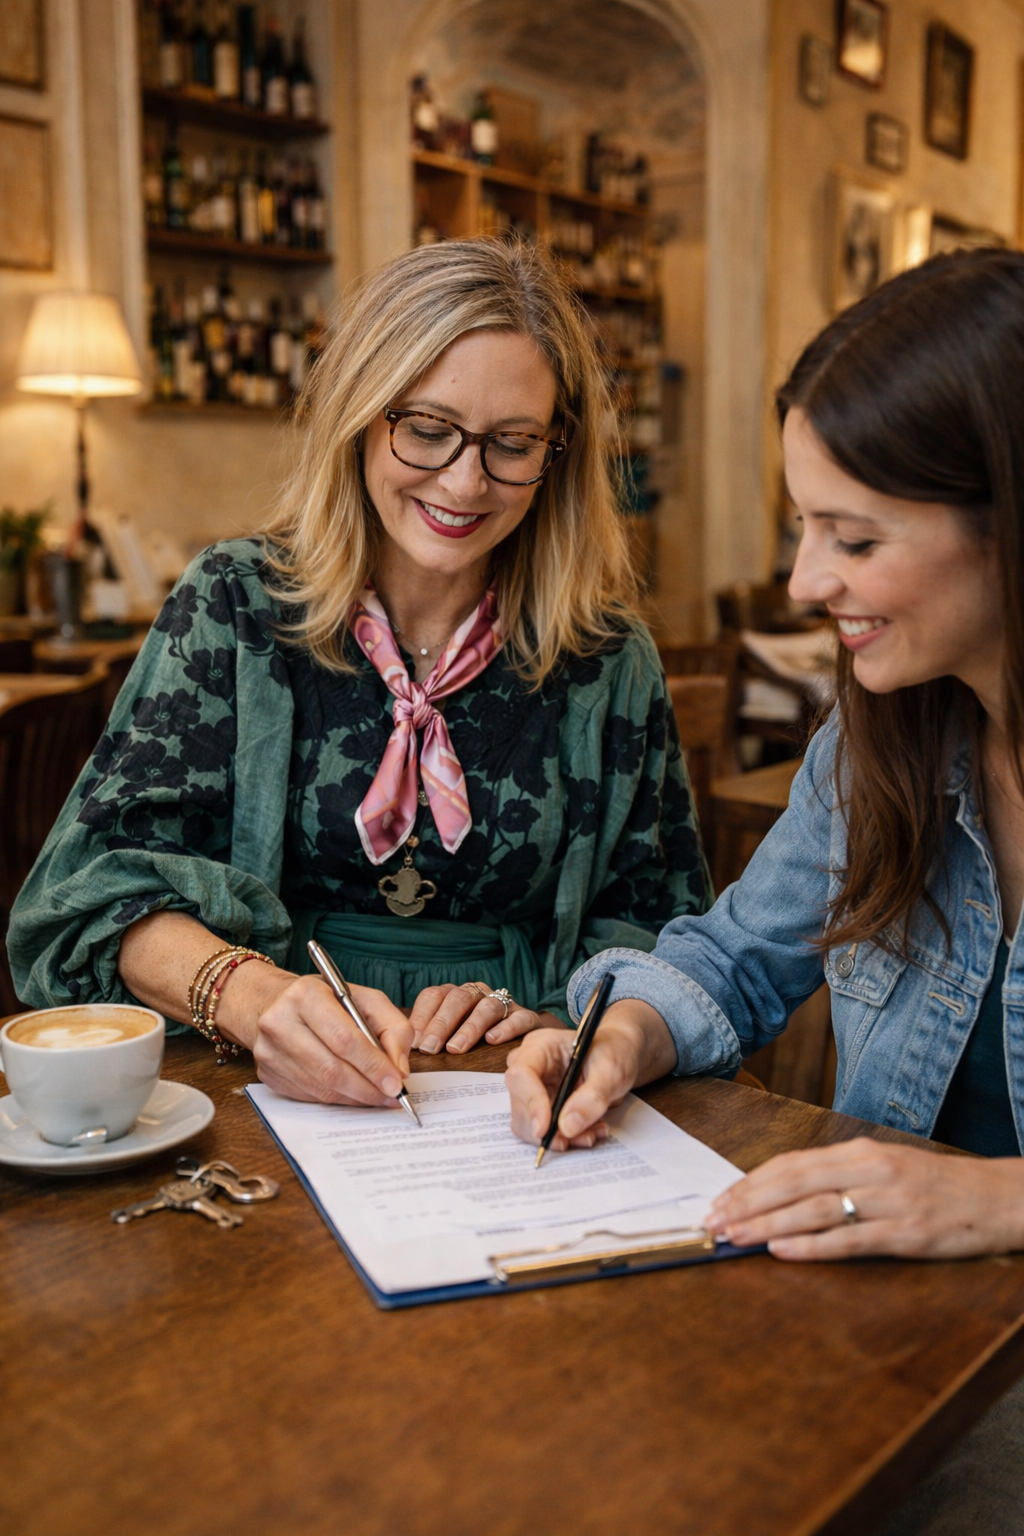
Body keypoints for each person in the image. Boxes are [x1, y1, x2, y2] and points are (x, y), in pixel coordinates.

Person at [8, 236, 708, 1108]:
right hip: (250, 1072)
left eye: (513, 443)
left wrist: (558, 1015)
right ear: (359, 413)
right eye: (426, 429)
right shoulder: (235, 606)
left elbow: (668, 939)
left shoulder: (609, 658)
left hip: (512, 1091)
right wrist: (247, 996)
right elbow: (84, 894)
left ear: (555, 451)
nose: (465, 481)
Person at [506, 247, 1024, 1264]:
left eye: (854, 539)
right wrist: (621, 1038)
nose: (802, 581)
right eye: (802, 527)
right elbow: (736, 957)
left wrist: (996, 1206)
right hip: (894, 1328)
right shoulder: (882, 739)